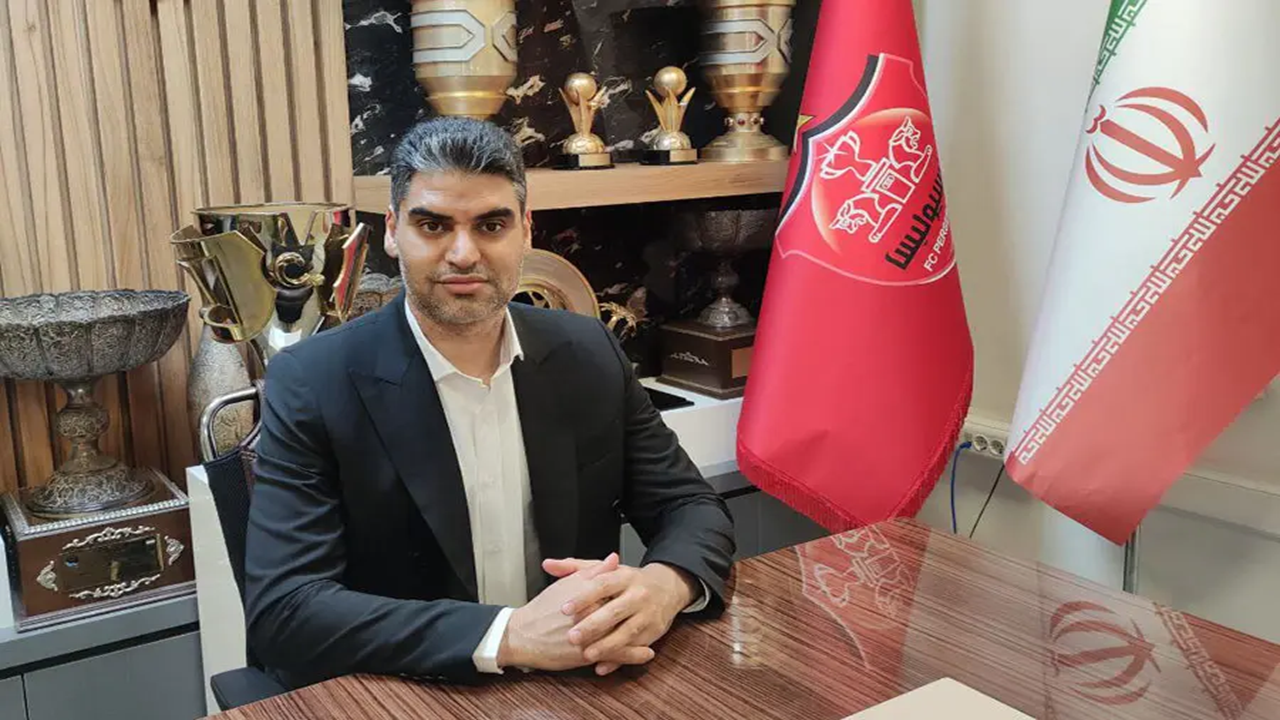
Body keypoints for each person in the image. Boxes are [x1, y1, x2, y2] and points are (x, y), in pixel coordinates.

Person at [243, 116, 736, 690]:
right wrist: (509, 635)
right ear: (392, 230)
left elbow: (690, 505)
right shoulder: (312, 380)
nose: (463, 253)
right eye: (433, 225)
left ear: (526, 231)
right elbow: (286, 609)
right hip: (412, 691)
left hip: (581, 683)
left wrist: (663, 586)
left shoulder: (587, 351)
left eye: (491, 225)